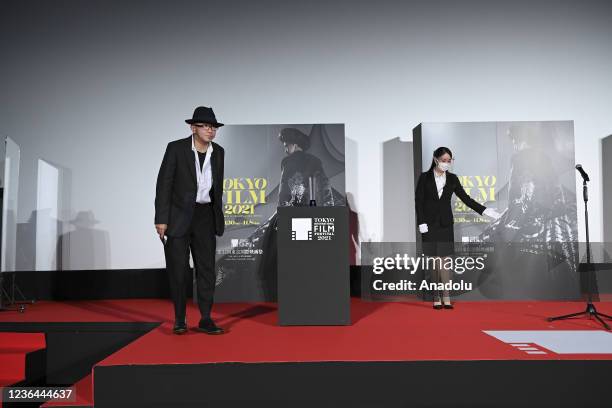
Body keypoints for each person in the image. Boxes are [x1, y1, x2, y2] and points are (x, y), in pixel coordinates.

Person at [155, 106, 226, 335]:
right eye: (205, 126)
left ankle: (206, 318)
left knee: (206, 269)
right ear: (192, 127)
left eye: (213, 127)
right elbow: (164, 184)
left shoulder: (219, 152)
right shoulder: (176, 149)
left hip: (205, 216)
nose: (210, 131)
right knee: (178, 269)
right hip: (177, 216)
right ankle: (180, 319)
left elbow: (217, 188)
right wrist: (161, 219)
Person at [415, 147, 500, 309]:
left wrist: (486, 211)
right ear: (435, 159)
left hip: (445, 224)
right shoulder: (425, 177)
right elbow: (418, 201)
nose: (447, 163)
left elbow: (466, 199)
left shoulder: (453, 179)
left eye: (449, 161)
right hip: (429, 226)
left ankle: (446, 297)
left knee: (445, 261)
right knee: (434, 261)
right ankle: (436, 296)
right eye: (444, 160)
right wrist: (421, 222)